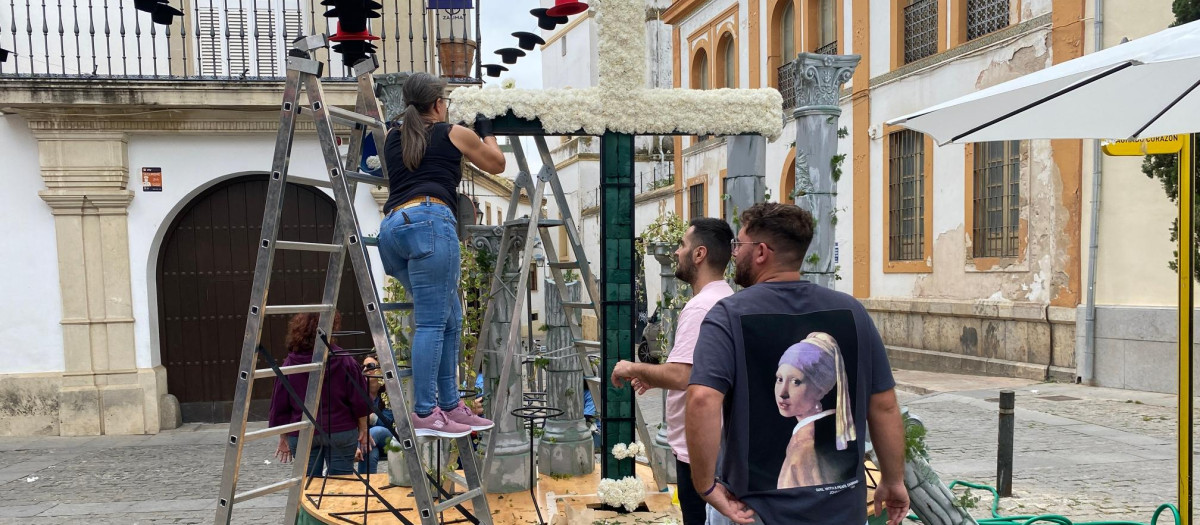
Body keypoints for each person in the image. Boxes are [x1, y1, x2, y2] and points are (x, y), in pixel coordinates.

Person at [685, 203, 909, 525]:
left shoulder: (727, 316)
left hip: (754, 513)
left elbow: (703, 398)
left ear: (761, 252)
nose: (734, 254)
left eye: (740, 245)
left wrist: (705, 485)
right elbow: (884, 405)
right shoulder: (852, 312)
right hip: (842, 514)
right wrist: (893, 480)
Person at [378, 72, 503, 437]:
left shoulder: (391, 136)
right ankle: (424, 412)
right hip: (430, 223)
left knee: (450, 316)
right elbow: (497, 163)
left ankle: (450, 405)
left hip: (393, 230)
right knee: (433, 322)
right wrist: (486, 128)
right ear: (437, 104)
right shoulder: (451, 133)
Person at [609, 217, 735, 525]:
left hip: (699, 453)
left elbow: (685, 375)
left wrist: (630, 367)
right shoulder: (727, 298)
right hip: (718, 445)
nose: (677, 252)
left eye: (682, 245)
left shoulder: (701, 307)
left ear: (699, 254)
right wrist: (652, 378)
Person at [269, 312, 372, 477]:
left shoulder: (289, 364)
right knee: (341, 484)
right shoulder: (344, 359)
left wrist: (283, 437)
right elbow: (359, 400)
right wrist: (364, 429)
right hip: (341, 429)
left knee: (308, 486)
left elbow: (281, 405)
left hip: (302, 431)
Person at [774, 332, 852, 489]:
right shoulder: (836, 423)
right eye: (779, 379)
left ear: (820, 390)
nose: (783, 392)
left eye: (796, 382)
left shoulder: (803, 444)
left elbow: (791, 503)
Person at [359, 356, 396, 474]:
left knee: (377, 430)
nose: (365, 369)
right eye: (363, 367)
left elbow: (387, 422)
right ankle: (366, 487)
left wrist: (366, 418)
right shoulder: (358, 393)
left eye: (370, 366)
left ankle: (356, 449)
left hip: (389, 438)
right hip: (369, 441)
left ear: (380, 370)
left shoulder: (389, 392)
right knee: (370, 452)